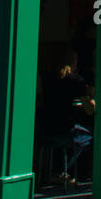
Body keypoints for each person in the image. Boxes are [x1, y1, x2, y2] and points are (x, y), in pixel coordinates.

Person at [40, 50, 95, 184]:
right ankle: (61, 170)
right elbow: (90, 110)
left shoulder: (47, 77)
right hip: (65, 129)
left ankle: (50, 170)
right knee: (90, 139)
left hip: (44, 127)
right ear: (74, 62)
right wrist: (92, 99)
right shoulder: (76, 81)